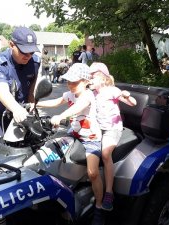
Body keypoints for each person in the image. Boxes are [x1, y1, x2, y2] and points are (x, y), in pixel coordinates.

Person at [36, 63, 105, 225]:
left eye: (75, 82)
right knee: (51, 152)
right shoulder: (69, 93)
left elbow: (77, 108)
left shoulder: (87, 95)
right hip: (72, 133)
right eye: (69, 81)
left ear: (86, 81)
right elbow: (56, 102)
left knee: (93, 172)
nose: (70, 85)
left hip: (90, 138)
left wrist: (60, 117)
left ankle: (100, 207)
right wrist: (33, 103)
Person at [89, 62, 137, 211]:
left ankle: (109, 191)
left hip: (112, 129)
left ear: (102, 79)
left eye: (92, 77)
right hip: (98, 128)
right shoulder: (92, 93)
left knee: (105, 154)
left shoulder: (112, 90)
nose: (89, 80)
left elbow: (133, 103)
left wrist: (127, 96)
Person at [0, 26, 40, 137]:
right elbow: (2, 91)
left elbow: (32, 82)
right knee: (0, 149)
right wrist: (16, 109)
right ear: (11, 45)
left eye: (32, 52)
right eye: (24, 52)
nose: (28, 56)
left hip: (23, 112)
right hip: (0, 114)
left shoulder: (35, 62)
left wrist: (31, 100)